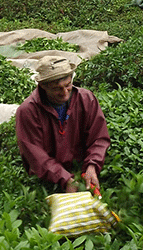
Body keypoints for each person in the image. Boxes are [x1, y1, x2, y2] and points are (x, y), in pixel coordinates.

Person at [15, 56, 111, 193]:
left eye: (68, 85)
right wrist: (65, 179)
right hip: (46, 180)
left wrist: (92, 166)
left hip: (80, 167)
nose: (65, 93)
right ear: (43, 86)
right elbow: (35, 154)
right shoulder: (28, 112)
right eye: (56, 89)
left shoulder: (86, 99)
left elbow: (99, 137)